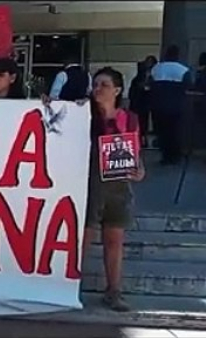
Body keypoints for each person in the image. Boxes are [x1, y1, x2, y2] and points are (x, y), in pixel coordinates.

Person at [84, 67, 145, 312]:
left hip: (119, 184)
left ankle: (114, 291)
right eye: (95, 84)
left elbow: (135, 150)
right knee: (83, 239)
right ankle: (67, 286)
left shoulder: (129, 117)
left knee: (114, 240)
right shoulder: (83, 113)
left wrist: (140, 169)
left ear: (117, 90)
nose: (98, 89)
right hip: (90, 182)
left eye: (104, 85)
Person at [150, 45, 191, 165]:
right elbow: (188, 85)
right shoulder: (183, 70)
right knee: (174, 132)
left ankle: (165, 156)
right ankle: (175, 156)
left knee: (162, 132)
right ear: (177, 55)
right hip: (176, 106)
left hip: (158, 105)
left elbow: (150, 84)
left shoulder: (156, 68)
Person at [128, 55, 157, 147]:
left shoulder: (150, 76)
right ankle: (141, 139)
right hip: (141, 102)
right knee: (140, 122)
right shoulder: (141, 77)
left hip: (144, 102)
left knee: (144, 122)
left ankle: (143, 139)